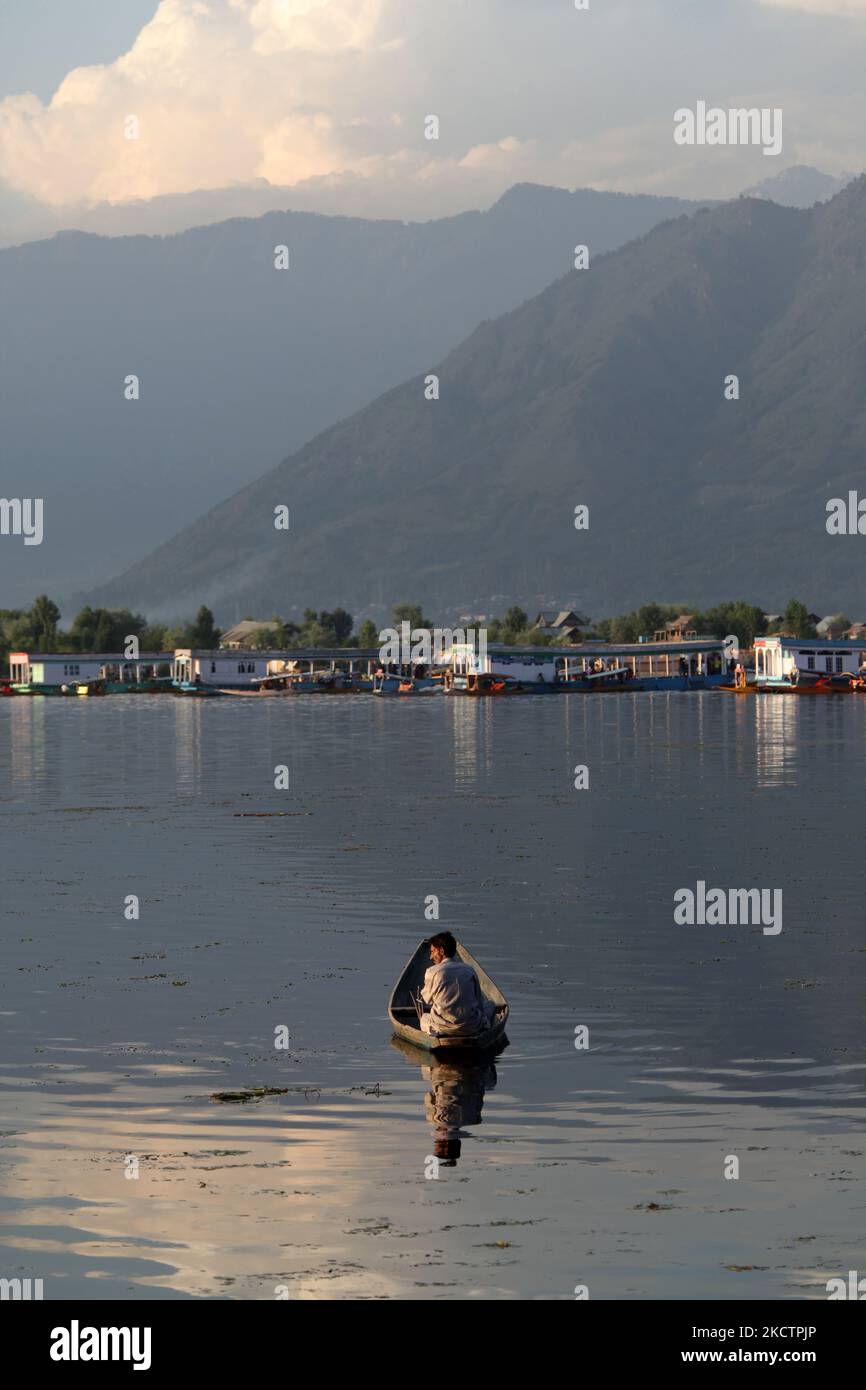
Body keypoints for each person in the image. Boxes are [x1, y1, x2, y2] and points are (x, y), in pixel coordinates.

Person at [419, 932, 495, 1039]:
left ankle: (440, 1036)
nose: (431, 957)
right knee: (491, 1005)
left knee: (424, 1018)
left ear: (441, 951)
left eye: (432, 952)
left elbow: (427, 1000)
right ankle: (484, 1035)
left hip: (443, 1028)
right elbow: (479, 1001)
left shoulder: (432, 971)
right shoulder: (469, 970)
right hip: (471, 1027)